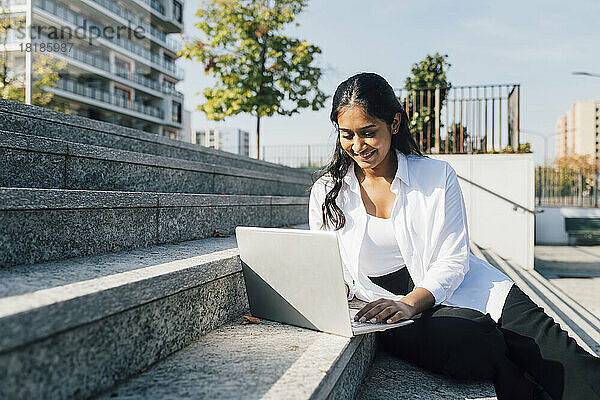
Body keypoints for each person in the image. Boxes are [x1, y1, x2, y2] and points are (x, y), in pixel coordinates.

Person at [308, 72, 600, 400]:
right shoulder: (327, 191)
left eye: (368, 133)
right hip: (382, 306)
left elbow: (453, 257)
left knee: (567, 359)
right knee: (475, 342)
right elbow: (328, 266)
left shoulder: (436, 175)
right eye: (347, 135)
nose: (358, 146)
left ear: (394, 123)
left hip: (461, 285)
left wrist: (410, 303)